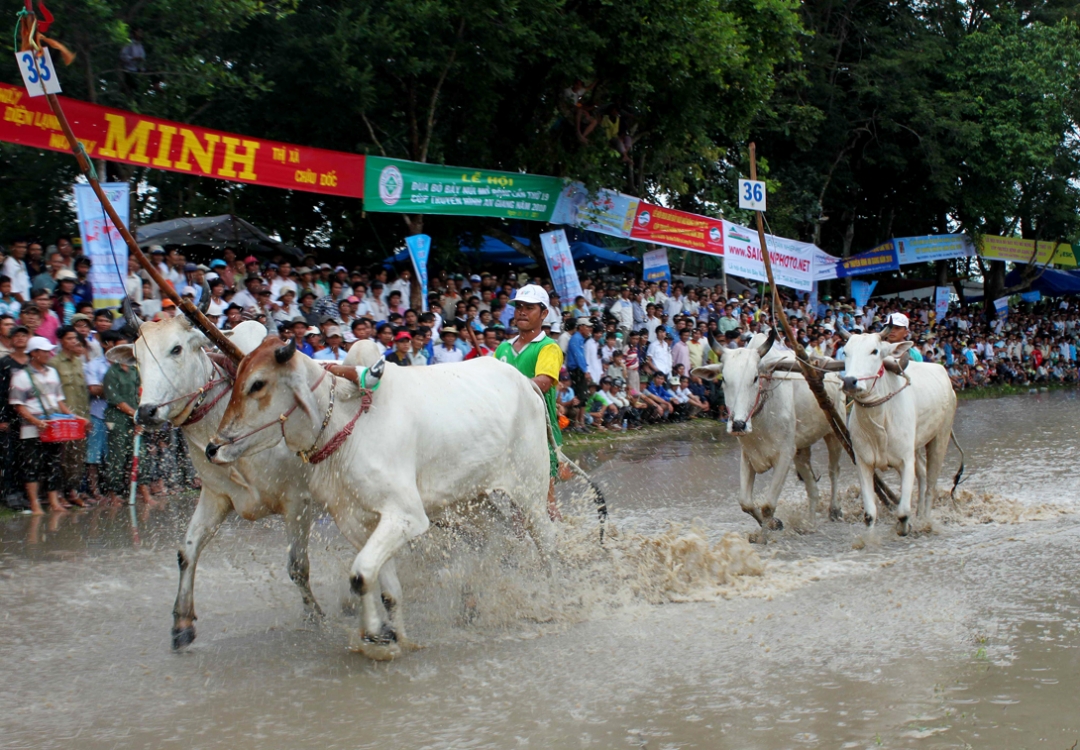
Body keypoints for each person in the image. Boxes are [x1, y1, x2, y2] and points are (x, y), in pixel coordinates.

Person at [494, 284, 565, 520]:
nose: (522, 312)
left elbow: (543, 382)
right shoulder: (503, 348)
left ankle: (564, 547)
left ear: (544, 314)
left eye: (530, 307)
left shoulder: (548, 347)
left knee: (546, 501)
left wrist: (507, 387)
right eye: (519, 307)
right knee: (514, 508)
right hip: (505, 432)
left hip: (539, 431)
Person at [9, 337, 78, 514]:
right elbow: (18, 406)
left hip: (53, 429)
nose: (48, 354)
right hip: (31, 430)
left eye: (48, 351)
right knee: (32, 466)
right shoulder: (21, 376)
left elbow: (59, 401)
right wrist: (36, 422)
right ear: (33, 353)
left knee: (53, 465)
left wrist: (72, 417)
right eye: (44, 351)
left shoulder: (53, 373)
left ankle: (54, 502)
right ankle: (35, 503)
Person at [103, 335, 152, 506]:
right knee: (117, 456)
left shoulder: (134, 371)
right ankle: (113, 494)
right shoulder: (111, 373)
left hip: (135, 418)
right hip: (118, 419)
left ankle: (145, 493)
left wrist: (140, 418)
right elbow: (115, 400)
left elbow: (141, 393)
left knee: (140, 454)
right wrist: (135, 415)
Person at [53, 326, 90, 507]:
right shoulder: (54, 363)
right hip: (63, 417)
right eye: (69, 338)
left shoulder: (78, 361)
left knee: (77, 456)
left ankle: (73, 491)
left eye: (75, 338)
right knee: (62, 457)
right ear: (61, 341)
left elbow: (83, 393)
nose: (74, 341)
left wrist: (85, 417)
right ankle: (59, 493)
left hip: (81, 417)